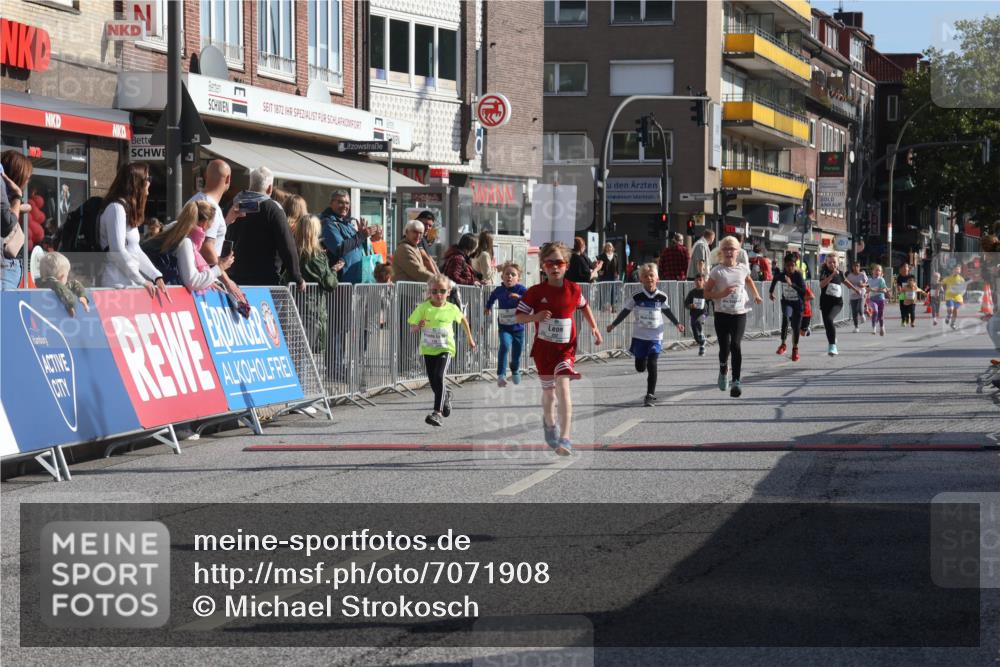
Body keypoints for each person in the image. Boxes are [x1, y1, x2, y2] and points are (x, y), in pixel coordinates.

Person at [515, 242, 603, 455]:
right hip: (544, 350)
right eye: (549, 263)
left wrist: (594, 328)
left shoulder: (573, 289)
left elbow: (584, 307)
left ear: (566, 265)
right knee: (549, 393)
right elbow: (519, 316)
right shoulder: (535, 292)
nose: (555, 267)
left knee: (563, 385)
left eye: (559, 263)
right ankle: (549, 424)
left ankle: (565, 438)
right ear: (542, 266)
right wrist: (535, 317)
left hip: (566, 350)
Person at [606, 263, 684, 407]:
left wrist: (677, 323)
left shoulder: (661, 297)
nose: (649, 279)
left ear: (657, 278)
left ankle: (650, 395)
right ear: (641, 279)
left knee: (652, 364)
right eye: (646, 276)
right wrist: (613, 324)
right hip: (640, 337)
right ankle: (642, 359)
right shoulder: (637, 296)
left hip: (656, 337)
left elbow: (667, 311)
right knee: (640, 367)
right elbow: (625, 311)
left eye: (652, 276)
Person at [408, 275, 477, 427]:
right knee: (433, 382)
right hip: (428, 349)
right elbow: (412, 327)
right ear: (429, 292)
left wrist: (470, 338)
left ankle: (437, 413)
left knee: (439, 376)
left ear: (448, 292)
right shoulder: (423, 308)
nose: (438, 294)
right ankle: (446, 396)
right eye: (434, 291)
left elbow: (464, 320)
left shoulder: (452, 308)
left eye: (442, 291)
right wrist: (418, 326)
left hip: (445, 348)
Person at [97, 162, 169, 298]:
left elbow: (135, 250)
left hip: (128, 284)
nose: (149, 183)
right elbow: (117, 251)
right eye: (148, 179)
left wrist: (156, 276)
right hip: (115, 285)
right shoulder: (116, 209)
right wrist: (141, 280)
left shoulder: (126, 210)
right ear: (137, 183)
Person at [226, 166, 304, 289]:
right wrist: (297, 276)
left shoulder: (233, 204)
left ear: (250, 184)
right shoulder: (272, 208)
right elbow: (286, 243)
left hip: (233, 278)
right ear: (269, 188)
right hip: (264, 280)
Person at [704, 235, 763, 397]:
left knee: (735, 345)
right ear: (721, 252)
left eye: (732, 249)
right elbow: (706, 293)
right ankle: (723, 369)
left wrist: (756, 295)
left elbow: (749, 280)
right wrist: (722, 293)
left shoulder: (743, 268)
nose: (729, 252)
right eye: (726, 249)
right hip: (722, 314)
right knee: (724, 348)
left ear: (738, 252)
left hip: (739, 313)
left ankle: (736, 381)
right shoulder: (717, 271)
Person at [283, 214, 343, 353]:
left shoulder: (292, 252)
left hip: (293, 306)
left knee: (296, 351)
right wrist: (333, 270)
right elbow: (329, 283)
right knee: (305, 353)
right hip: (311, 309)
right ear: (314, 232)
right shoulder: (316, 256)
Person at [143, 200, 235, 291]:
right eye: (212, 224)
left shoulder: (174, 231)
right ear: (204, 223)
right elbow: (193, 281)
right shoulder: (185, 241)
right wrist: (220, 268)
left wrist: (209, 281)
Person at [485, 261, 528, 387]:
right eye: (507, 274)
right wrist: (488, 307)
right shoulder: (499, 290)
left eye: (513, 274)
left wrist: (519, 297)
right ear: (502, 276)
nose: (509, 276)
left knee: (517, 352)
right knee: (504, 345)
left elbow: (530, 299)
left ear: (518, 278)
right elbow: (492, 297)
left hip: (518, 327)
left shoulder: (521, 289)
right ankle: (501, 375)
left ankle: (515, 369)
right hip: (504, 327)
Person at [319, 189, 373, 284]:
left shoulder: (347, 223)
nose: (345, 206)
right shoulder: (328, 223)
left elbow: (357, 245)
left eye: (347, 203)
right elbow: (339, 248)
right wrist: (361, 236)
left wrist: (363, 236)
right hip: (340, 282)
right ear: (331, 203)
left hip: (357, 280)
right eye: (340, 202)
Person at [818, 254, 862, 355]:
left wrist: (855, 289)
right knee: (828, 325)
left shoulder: (840, 273)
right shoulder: (824, 272)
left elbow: (845, 282)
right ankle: (832, 339)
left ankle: (832, 346)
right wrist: (832, 275)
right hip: (825, 303)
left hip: (837, 303)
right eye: (830, 262)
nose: (832, 264)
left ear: (838, 263)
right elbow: (821, 285)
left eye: (834, 262)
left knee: (829, 319)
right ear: (826, 263)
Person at [1, 151, 32, 289]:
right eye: (27, 177)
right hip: (4, 267)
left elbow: (28, 207)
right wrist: (17, 196)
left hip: (10, 266)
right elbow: (8, 222)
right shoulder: (8, 194)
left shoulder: (9, 196)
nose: (27, 181)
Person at [769, 253, 807, 361]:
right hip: (787, 302)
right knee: (785, 317)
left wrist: (792, 285)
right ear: (784, 265)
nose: (790, 268)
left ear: (795, 265)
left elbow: (803, 291)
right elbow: (775, 279)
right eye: (787, 265)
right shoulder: (782, 275)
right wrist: (771, 292)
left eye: (792, 265)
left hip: (798, 304)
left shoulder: (798, 275)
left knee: (796, 328)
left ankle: (795, 349)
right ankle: (783, 345)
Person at [36, 251, 90, 316]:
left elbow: (74, 284)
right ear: (62, 276)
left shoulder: (59, 286)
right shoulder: (51, 284)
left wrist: (82, 296)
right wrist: (70, 305)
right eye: (67, 275)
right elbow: (58, 286)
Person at [684, 273, 709, 356]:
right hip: (693, 314)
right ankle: (701, 342)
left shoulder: (706, 291)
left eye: (700, 280)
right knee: (695, 334)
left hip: (703, 313)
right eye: (696, 280)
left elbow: (711, 300)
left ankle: (701, 336)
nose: (698, 282)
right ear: (694, 281)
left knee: (699, 322)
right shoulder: (692, 292)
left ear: (704, 281)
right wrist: (690, 305)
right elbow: (686, 303)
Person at [941, 263, 967, 330]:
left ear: (960, 271)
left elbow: (964, 288)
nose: (956, 270)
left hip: (958, 297)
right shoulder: (948, 278)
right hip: (949, 296)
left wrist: (962, 294)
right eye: (955, 269)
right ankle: (948, 316)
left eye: (958, 269)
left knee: (955, 310)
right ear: (952, 270)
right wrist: (939, 290)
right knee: (951, 309)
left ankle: (953, 323)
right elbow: (941, 283)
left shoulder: (961, 279)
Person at [846, 260, 869, 332]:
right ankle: (856, 327)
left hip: (861, 294)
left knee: (859, 308)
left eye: (857, 266)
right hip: (853, 295)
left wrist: (863, 285)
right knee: (854, 312)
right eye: (854, 266)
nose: (856, 268)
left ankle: (862, 315)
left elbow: (868, 284)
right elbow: (847, 284)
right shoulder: (850, 276)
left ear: (859, 267)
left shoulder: (862, 275)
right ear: (852, 267)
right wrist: (850, 286)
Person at [867, 264, 888, 336]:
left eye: (879, 270)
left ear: (881, 272)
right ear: (872, 271)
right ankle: (874, 328)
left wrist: (874, 289)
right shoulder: (869, 280)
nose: (877, 272)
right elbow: (866, 289)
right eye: (876, 270)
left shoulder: (881, 280)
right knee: (875, 311)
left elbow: (884, 290)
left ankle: (882, 327)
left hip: (881, 299)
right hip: (872, 299)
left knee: (880, 315)